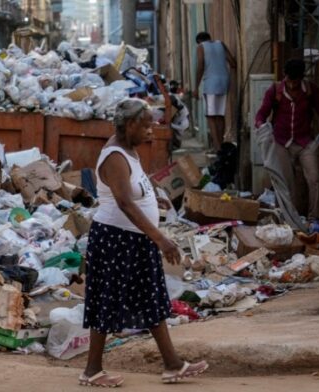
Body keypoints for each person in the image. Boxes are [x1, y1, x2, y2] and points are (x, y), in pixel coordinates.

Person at [78, 99, 208, 387]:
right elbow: (124, 202)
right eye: (147, 124)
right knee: (106, 300)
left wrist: (153, 195)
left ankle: (173, 364)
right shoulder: (114, 156)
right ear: (130, 124)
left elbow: (135, 189)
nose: (152, 130)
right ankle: (92, 371)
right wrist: (160, 238)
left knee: (151, 299)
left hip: (134, 239)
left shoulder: (130, 151)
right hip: (115, 239)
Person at [255, 58, 319, 219]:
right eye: (290, 80)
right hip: (281, 142)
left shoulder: (310, 90)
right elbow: (261, 114)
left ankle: (314, 218)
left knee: (315, 179)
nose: (292, 85)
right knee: (286, 183)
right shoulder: (275, 91)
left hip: (305, 142)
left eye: (296, 81)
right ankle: (288, 219)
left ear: (301, 78)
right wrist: (260, 125)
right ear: (285, 76)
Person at [193, 32, 237, 152]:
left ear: (199, 41)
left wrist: (196, 87)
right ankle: (221, 145)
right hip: (224, 81)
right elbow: (233, 63)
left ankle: (217, 148)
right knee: (220, 115)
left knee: (211, 116)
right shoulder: (220, 44)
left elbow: (201, 66)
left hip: (211, 83)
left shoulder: (201, 47)